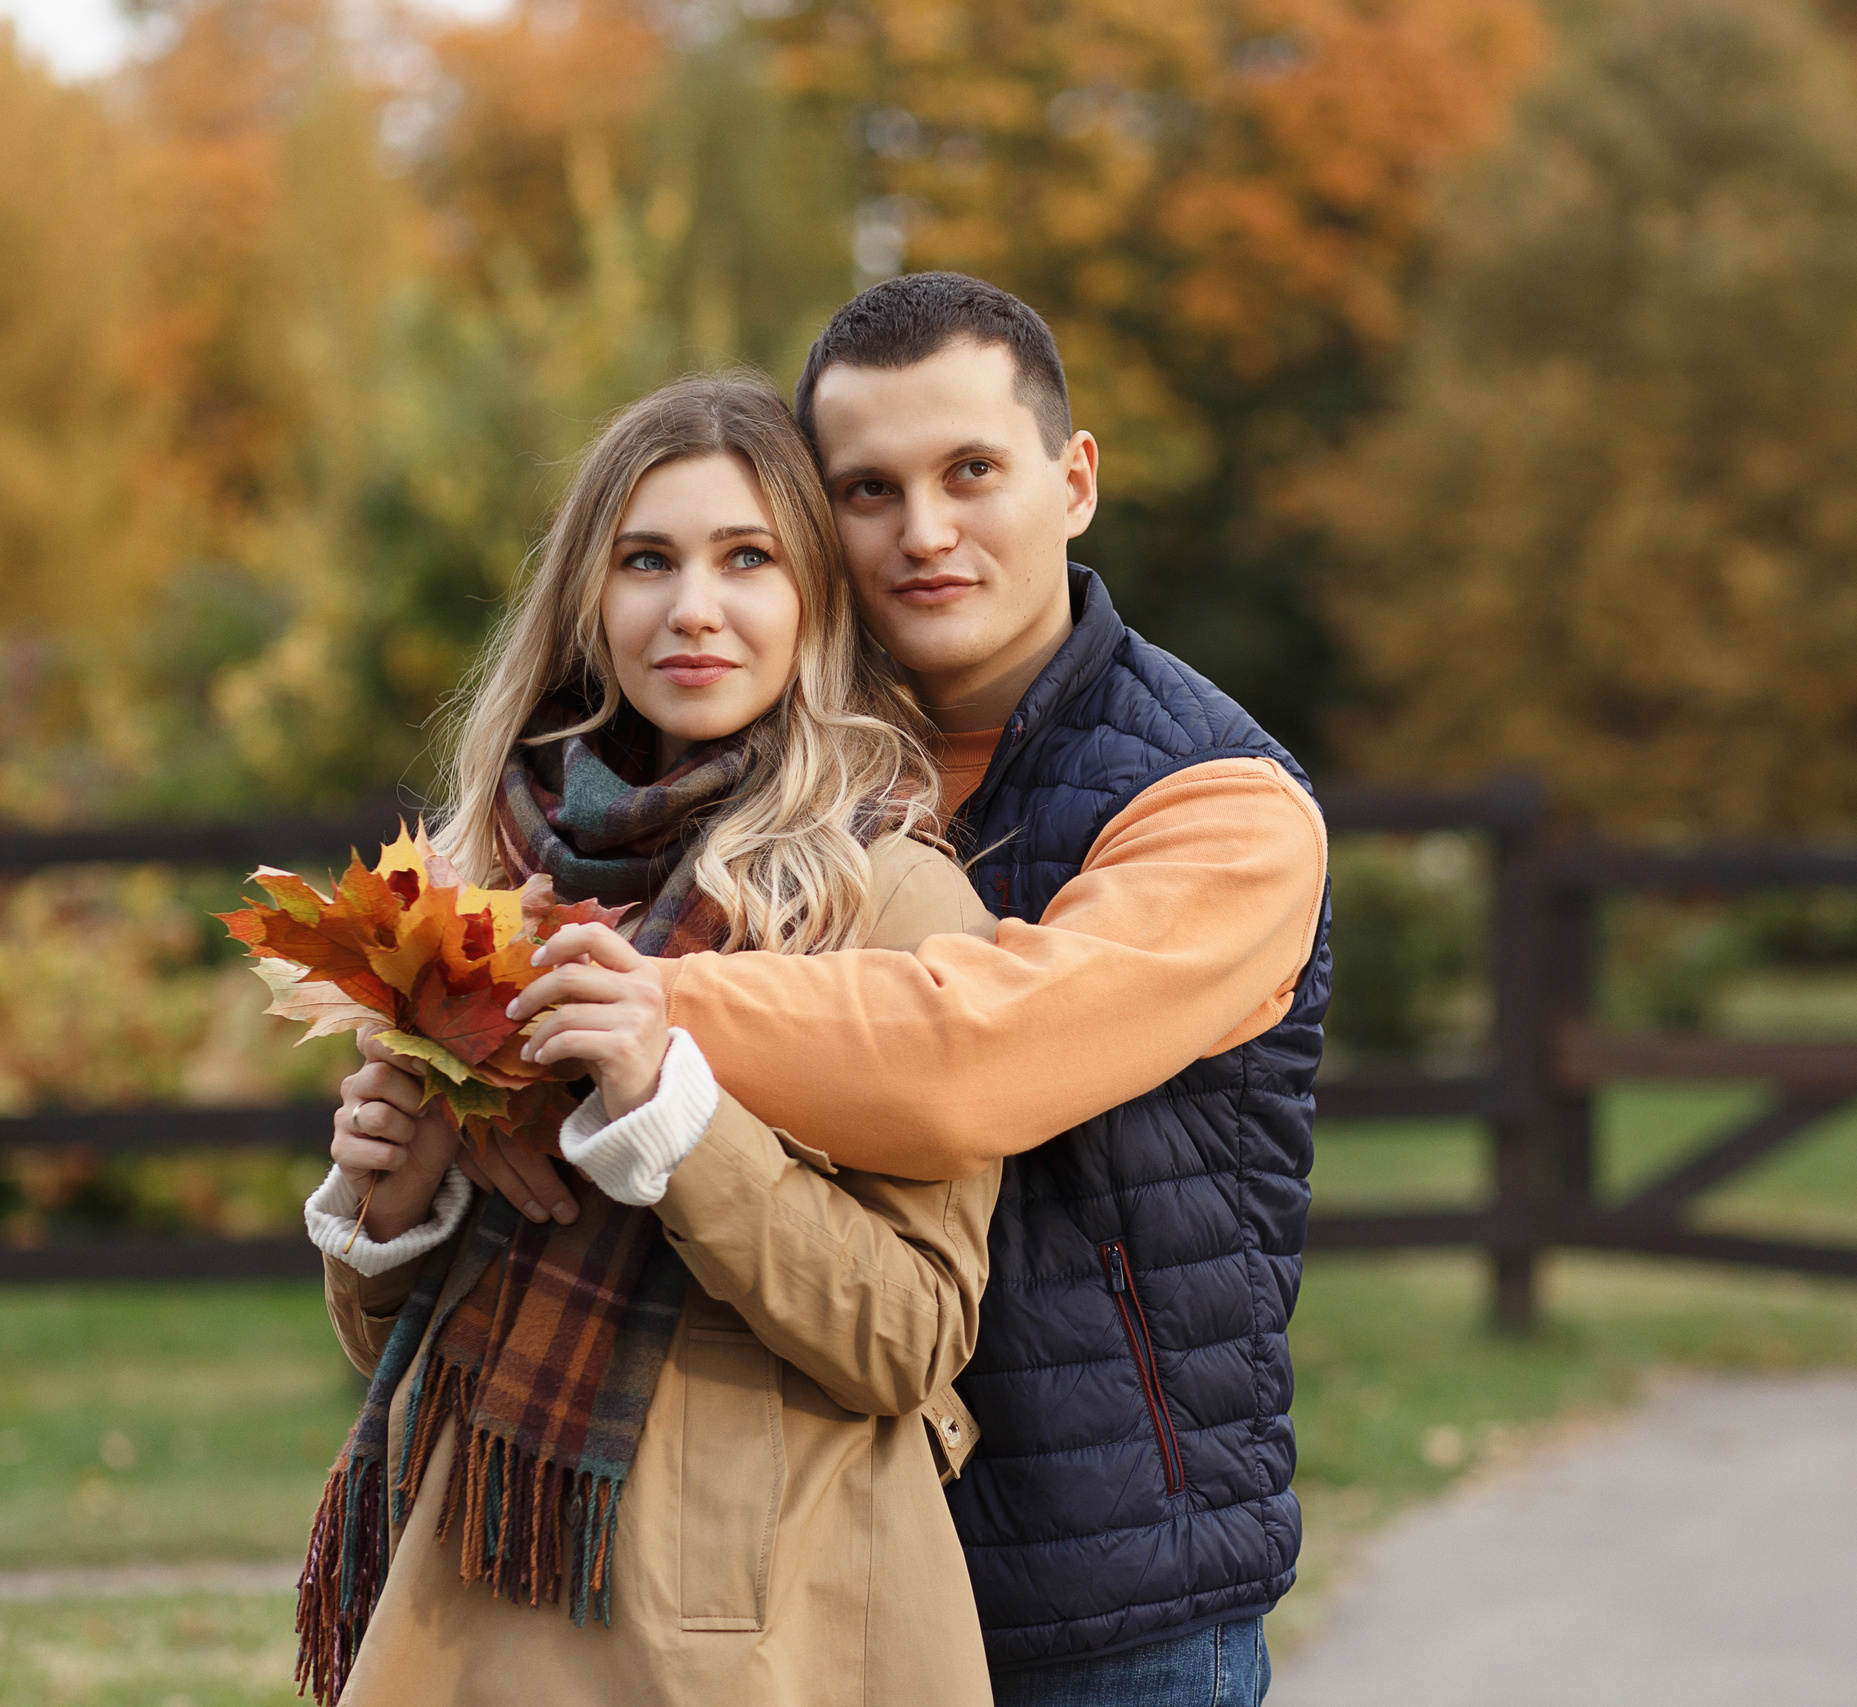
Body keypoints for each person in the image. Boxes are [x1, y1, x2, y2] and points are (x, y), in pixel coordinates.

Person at [493, 274, 1332, 1705]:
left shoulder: (1220, 806)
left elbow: (963, 1063)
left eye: (971, 473)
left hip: (1100, 1601)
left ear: (1071, 482)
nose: (924, 531)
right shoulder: (761, 765)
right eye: (868, 490)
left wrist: (623, 1007)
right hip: (807, 1564)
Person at [302, 372, 1002, 1706]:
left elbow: (909, 1336)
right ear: (589, 598)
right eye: (647, 560)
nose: (692, 608)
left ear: (814, 602)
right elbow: (401, 1334)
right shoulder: (480, 882)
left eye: (748, 559)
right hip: (469, 1606)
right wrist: (385, 1206)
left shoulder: (890, 897)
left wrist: (667, 1103)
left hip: (757, 1630)